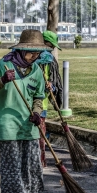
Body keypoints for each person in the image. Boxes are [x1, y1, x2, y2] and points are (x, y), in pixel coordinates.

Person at [0, 29, 54, 193]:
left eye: (37, 54)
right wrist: (1, 81)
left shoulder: (36, 70)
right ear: (20, 51)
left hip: (29, 127)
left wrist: (37, 113)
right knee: (11, 167)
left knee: (33, 165)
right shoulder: (3, 65)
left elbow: (38, 96)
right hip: (8, 126)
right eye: (30, 53)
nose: (34, 57)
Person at [35, 30, 63, 167]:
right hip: (28, 103)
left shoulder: (49, 61)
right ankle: (36, 159)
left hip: (42, 103)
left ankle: (41, 159)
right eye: (50, 45)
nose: (51, 48)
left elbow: (55, 83)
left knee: (41, 132)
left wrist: (51, 86)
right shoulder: (31, 59)